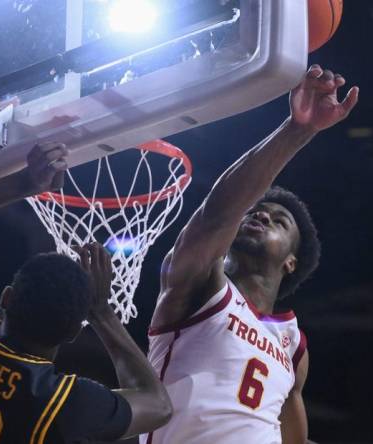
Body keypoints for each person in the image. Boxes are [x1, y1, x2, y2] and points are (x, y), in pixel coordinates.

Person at [142, 65, 359, 444]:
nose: (261, 214)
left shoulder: (292, 345)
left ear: (291, 260)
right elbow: (218, 214)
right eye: (257, 210)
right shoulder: (201, 285)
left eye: (279, 221)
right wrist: (298, 130)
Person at [0, 143, 172, 444]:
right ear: (72, 332)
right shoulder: (65, 403)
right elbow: (157, 405)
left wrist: (23, 184)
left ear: (6, 297)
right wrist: (102, 313)